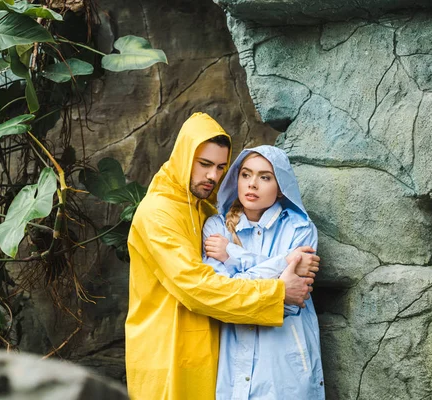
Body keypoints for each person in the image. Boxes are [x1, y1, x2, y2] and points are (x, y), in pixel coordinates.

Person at [125, 113, 319, 400]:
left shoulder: (205, 212)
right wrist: (277, 289)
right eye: (204, 164)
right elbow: (198, 287)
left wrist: (236, 257)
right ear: (183, 157)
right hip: (167, 352)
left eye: (220, 167)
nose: (213, 176)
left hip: (215, 354)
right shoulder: (158, 213)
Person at [203, 145, 325, 399]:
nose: (252, 184)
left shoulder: (300, 229)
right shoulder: (216, 227)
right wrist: (283, 264)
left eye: (265, 177)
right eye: (245, 175)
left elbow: (292, 301)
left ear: (281, 187)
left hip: (284, 365)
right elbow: (220, 293)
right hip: (231, 361)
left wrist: (232, 256)